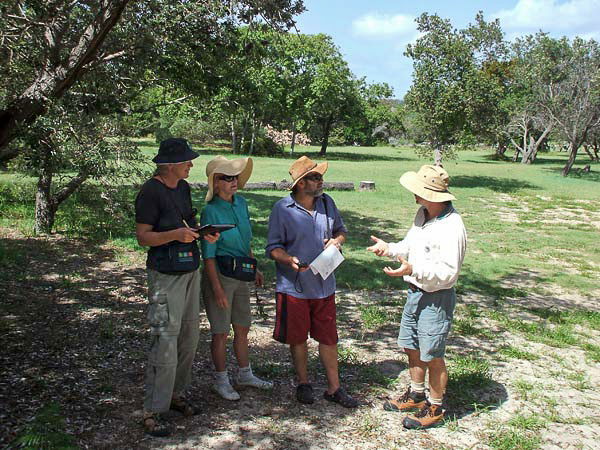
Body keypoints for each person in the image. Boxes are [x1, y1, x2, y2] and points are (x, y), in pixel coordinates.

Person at [367, 164, 467, 429]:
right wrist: (388, 248)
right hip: (415, 293)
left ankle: (435, 407)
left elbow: (448, 273)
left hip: (436, 298)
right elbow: (409, 245)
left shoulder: (452, 226)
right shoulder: (423, 214)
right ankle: (416, 395)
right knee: (411, 345)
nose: (413, 194)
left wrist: (414, 270)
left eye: (418, 190)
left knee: (432, 353)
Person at [135, 138, 218, 437]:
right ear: (169, 165)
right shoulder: (150, 192)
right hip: (165, 275)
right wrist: (175, 235)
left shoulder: (182, 188)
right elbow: (143, 237)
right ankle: (152, 411)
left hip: (189, 270)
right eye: (186, 161)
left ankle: (175, 396)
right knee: (165, 341)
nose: (191, 164)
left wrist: (202, 234)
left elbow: (189, 223)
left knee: (189, 337)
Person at [265, 156, 358, 408]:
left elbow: (341, 231)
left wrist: (337, 241)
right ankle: (303, 383)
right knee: (298, 338)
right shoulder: (282, 210)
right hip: (293, 287)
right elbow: (272, 248)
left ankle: (334, 388)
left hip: (325, 285)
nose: (321, 181)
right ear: (300, 184)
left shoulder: (328, 203)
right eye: (315, 177)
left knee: (329, 338)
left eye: (320, 176)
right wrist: (288, 259)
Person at [201, 156, 272, 401]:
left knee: (243, 327)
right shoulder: (209, 211)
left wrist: (254, 267)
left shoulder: (241, 203)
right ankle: (221, 380)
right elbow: (208, 255)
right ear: (215, 184)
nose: (233, 182)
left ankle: (245, 374)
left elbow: (246, 240)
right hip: (221, 273)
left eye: (234, 177)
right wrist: (217, 289)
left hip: (242, 272)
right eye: (226, 178)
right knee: (220, 331)